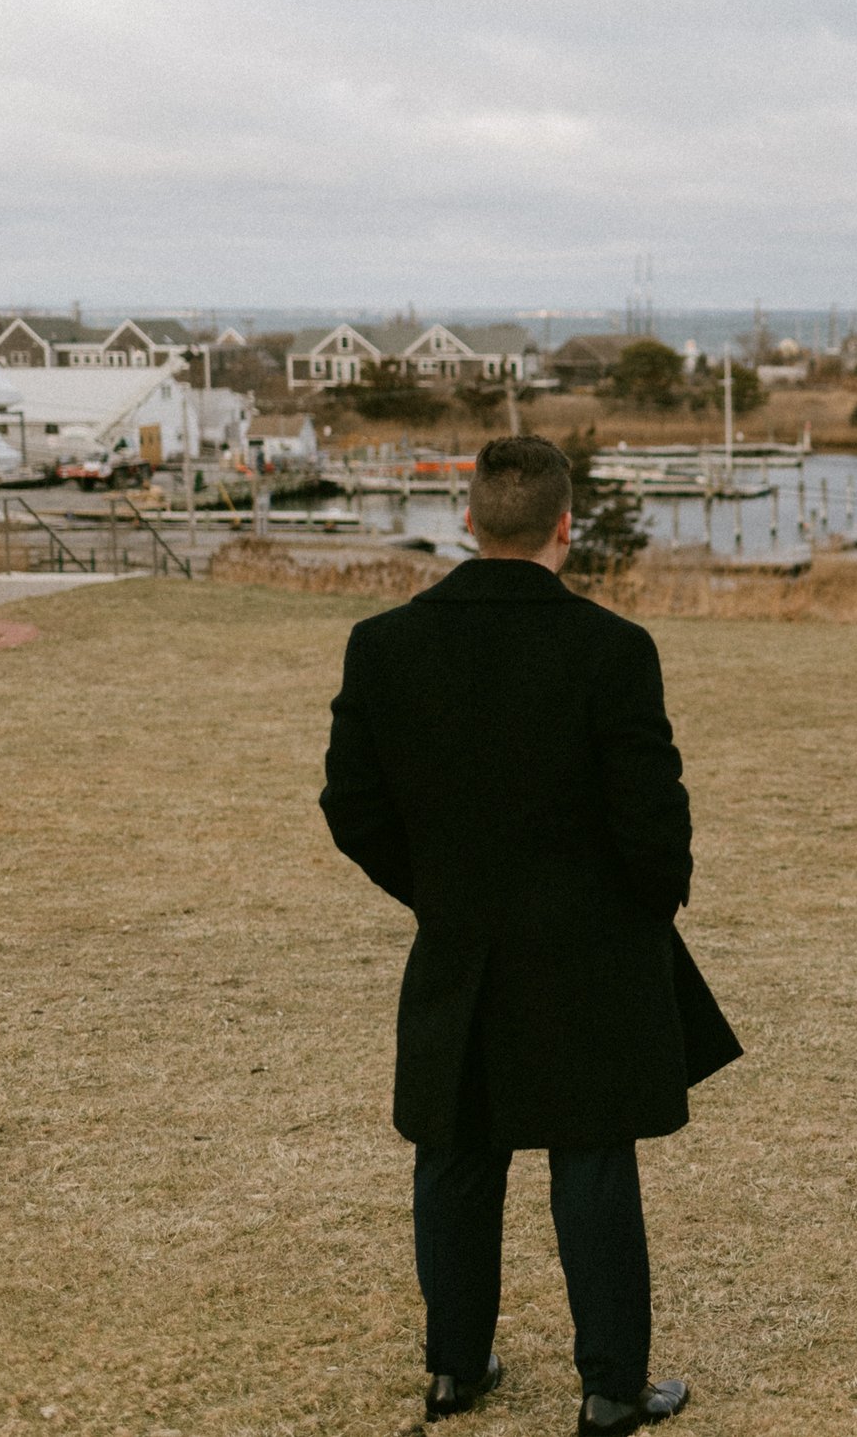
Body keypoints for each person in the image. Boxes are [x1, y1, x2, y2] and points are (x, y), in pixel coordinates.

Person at [319, 435, 739, 1434]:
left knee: (456, 1148)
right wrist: (637, 906)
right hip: (589, 943)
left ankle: (454, 1371)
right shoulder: (611, 650)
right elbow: (654, 824)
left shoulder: (383, 646)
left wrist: (437, 891)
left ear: (468, 520)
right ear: (565, 524)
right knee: (591, 1154)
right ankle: (608, 1387)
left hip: (459, 933)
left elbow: (352, 806)